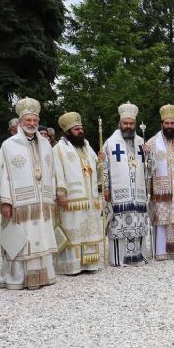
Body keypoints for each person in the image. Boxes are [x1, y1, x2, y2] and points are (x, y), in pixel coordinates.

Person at [0, 97, 57, 289]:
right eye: (28, 120)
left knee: (41, 237)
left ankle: (44, 276)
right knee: (20, 239)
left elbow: (52, 172)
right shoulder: (9, 145)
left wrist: (52, 195)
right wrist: (5, 201)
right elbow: (2, 173)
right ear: (20, 122)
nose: (32, 124)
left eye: (35, 121)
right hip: (19, 203)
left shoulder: (46, 145)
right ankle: (17, 279)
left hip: (41, 202)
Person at [52, 111, 103, 274]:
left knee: (88, 231)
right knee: (73, 230)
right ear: (67, 132)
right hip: (72, 199)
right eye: (76, 129)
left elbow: (97, 170)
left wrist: (100, 161)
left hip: (89, 199)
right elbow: (57, 172)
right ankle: (72, 266)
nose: (80, 132)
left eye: (81, 128)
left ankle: (89, 264)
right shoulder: (59, 149)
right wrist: (60, 193)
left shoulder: (87, 147)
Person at [102, 101, 150, 266]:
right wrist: (106, 187)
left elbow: (149, 169)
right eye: (125, 123)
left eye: (131, 123)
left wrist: (149, 156)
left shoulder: (141, 143)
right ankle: (118, 258)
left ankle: (138, 255)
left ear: (135, 124)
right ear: (120, 123)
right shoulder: (110, 143)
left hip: (138, 194)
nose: (128, 126)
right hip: (119, 194)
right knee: (119, 226)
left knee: (137, 222)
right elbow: (104, 167)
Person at [147, 104, 174, 260]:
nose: (169, 127)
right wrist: (147, 156)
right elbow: (147, 167)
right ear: (161, 124)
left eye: (172, 124)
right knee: (161, 219)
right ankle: (160, 251)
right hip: (162, 191)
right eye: (167, 124)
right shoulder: (152, 143)